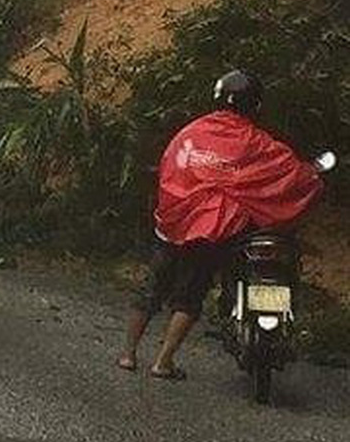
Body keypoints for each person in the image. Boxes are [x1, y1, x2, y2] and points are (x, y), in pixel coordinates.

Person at [119, 69, 324, 380]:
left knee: (150, 290)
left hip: (173, 224)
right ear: (255, 105)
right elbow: (292, 174)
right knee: (190, 296)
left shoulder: (190, 134)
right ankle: (162, 362)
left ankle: (128, 354)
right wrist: (313, 173)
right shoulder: (258, 143)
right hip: (215, 232)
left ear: (217, 99)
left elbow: (170, 171)